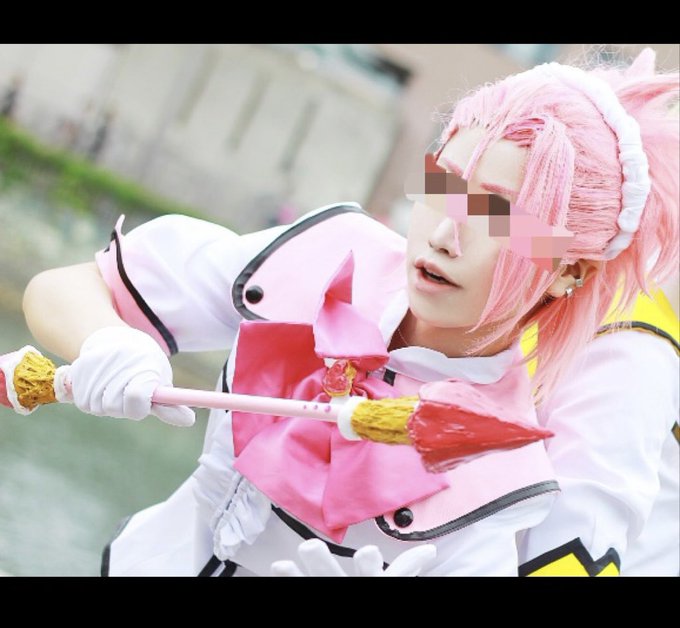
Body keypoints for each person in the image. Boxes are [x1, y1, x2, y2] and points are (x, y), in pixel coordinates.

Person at [21, 48, 678, 576]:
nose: (446, 233)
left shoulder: (499, 470)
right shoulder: (324, 255)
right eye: (445, 186)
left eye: (498, 216)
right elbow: (63, 288)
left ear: (570, 270)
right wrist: (107, 342)